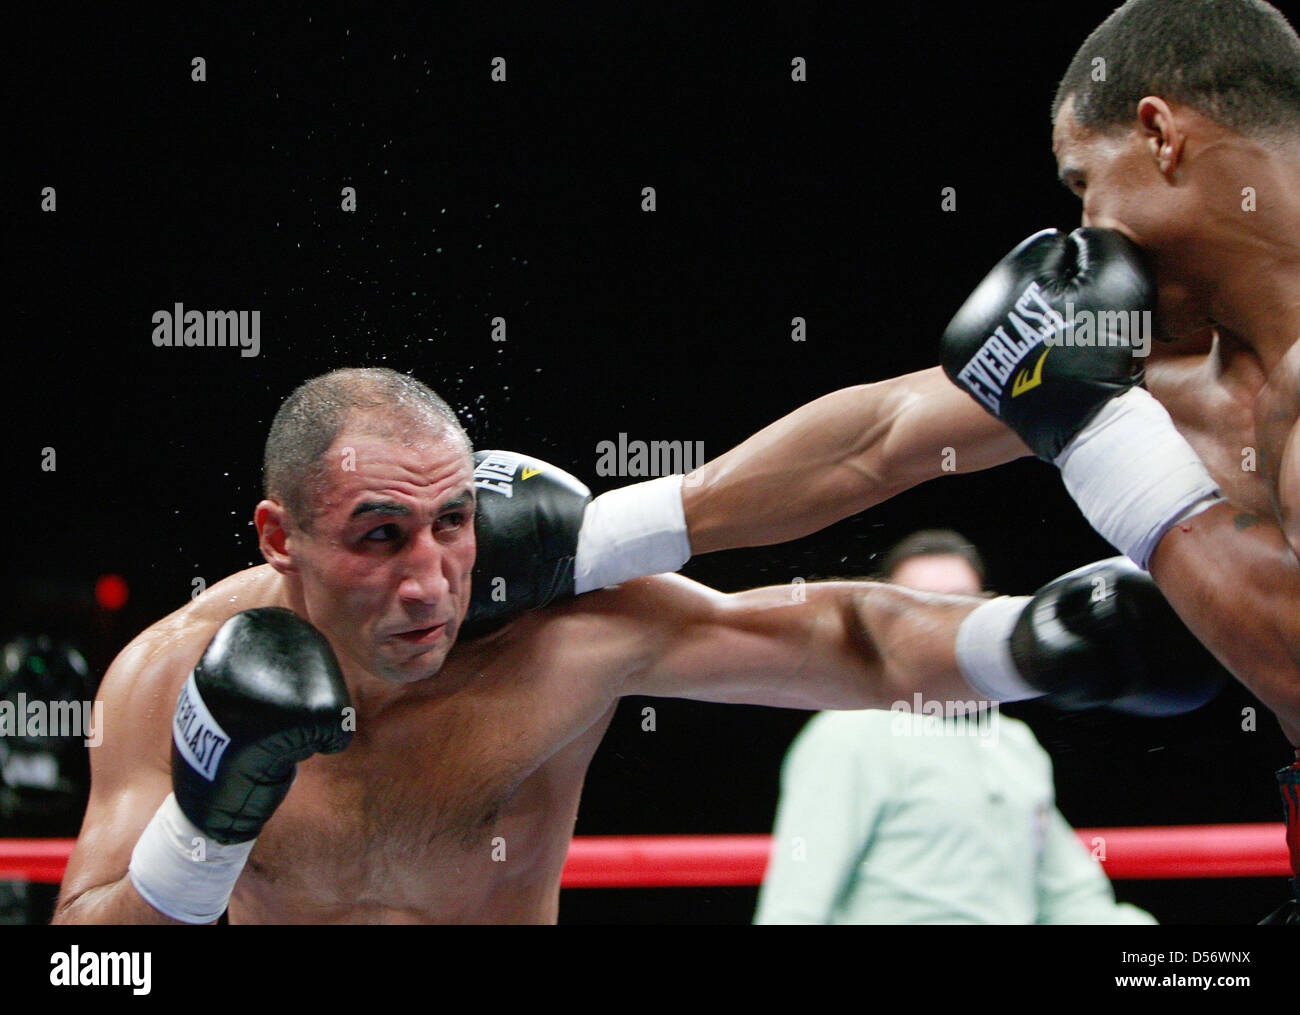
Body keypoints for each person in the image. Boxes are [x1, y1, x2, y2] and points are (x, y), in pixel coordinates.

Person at [53, 368, 1216, 925]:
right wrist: (202, 833)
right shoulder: (172, 674)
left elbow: (841, 636)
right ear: (278, 536)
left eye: (451, 523)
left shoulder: (562, 636)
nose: (428, 582)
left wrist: (1037, 641)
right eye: (378, 536)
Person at [670, 0, 1299, 921]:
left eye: (1085, 183)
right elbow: (881, 433)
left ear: (1161, 135)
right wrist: (602, 532)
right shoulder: (1168, 363)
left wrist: (1098, 439)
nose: (1087, 230)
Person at [755, 531, 1155, 924]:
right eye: (924, 606)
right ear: (883, 626)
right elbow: (796, 903)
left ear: (985, 611)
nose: (941, 623)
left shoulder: (1013, 745)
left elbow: (1071, 899)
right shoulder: (850, 735)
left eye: (958, 604)